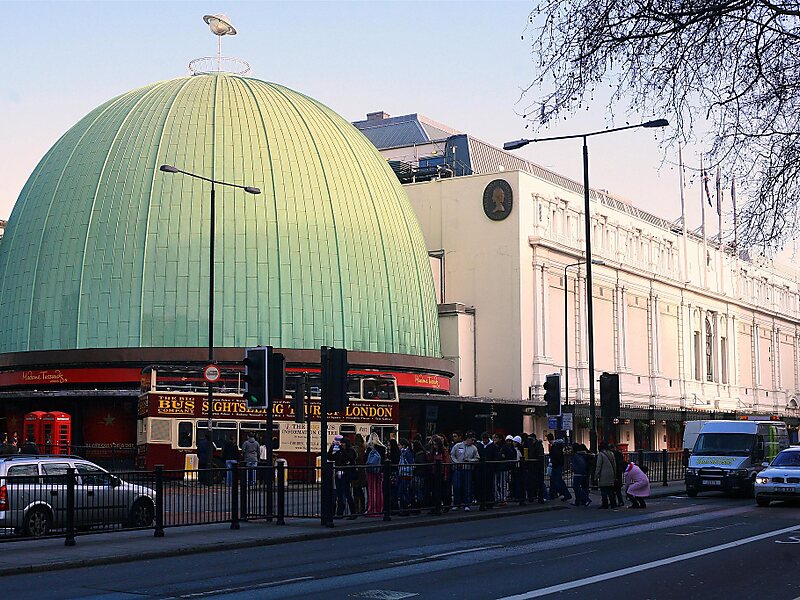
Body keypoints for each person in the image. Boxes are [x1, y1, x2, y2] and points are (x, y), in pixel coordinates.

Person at [328, 435, 357, 519]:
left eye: (343, 443)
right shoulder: (338, 451)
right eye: (341, 443)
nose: (342, 444)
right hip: (338, 473)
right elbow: (330, 458)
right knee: (339, 494)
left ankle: (353, 513)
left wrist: (341, 449)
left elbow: (349, 458)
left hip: (346, 473)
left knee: (347, 493)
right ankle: (340, 512)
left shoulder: (350, 450)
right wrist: (331, 448)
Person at [450, 431, 479, 510]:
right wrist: (456, 463)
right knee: (457, 486)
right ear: (467, 439)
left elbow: (477, 458)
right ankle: (457, 504)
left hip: (467, 469)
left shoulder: (474, 448)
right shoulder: (457, 446)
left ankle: (466, 504)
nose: (472, 441)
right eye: (471, 439)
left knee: (467, 487)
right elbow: (452, 455)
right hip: (458, 469)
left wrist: (469, 460)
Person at [546, 433, 572, 502]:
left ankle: (563, 494)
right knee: (555, 480)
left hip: (556, 465)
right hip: (557, 465)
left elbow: (555, 456)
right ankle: (555, 494)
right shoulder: (557, 445)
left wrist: (553, 462)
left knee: (557, 480)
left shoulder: (555, 446)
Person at [365, 433, 385, 516]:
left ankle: (372, 509)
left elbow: (365, 459)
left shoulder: (370, 448)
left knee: (371, 491)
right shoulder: (383, 448)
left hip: (371, 472)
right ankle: (379, 509)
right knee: (379, 491)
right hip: (380, 471)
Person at [595, 442, 617, 508]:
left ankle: (605, 504)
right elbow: (614, 465)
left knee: (603, 490)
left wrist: (596, 475)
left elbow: (598, 466)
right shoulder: (611, 453)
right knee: (610, 490)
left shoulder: (601, 454)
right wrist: (614, 474)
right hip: (611, 473)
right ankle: (613, 503)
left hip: (603, 475)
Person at [497, 435, 516, 505]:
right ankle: (501, 498)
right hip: (502, 468)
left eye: (510, 441)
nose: (509, 442)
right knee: (501, 484)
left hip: (505, 468)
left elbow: (506, 456)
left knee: (503, 484)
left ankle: (503, 498)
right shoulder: (503, 447)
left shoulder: (507, 448)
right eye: (508, 441)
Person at [351, 433, 367, 514]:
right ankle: (362, 507)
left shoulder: (354, 449)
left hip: (356, 470)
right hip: (362, 470)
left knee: (355, 490)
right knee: (360, 491)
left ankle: (356, 508)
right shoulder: (363, 448)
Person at [398, 439, 414, 515]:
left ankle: (405, 508)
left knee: (403, 491)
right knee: (403, 492)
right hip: (403, 474)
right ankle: (404, 508)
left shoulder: (406, 453)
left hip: (406, 475)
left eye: (399, 445)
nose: (398, 446)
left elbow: (411, 464)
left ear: (403, 445)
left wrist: (403, 469)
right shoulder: (404, 453)